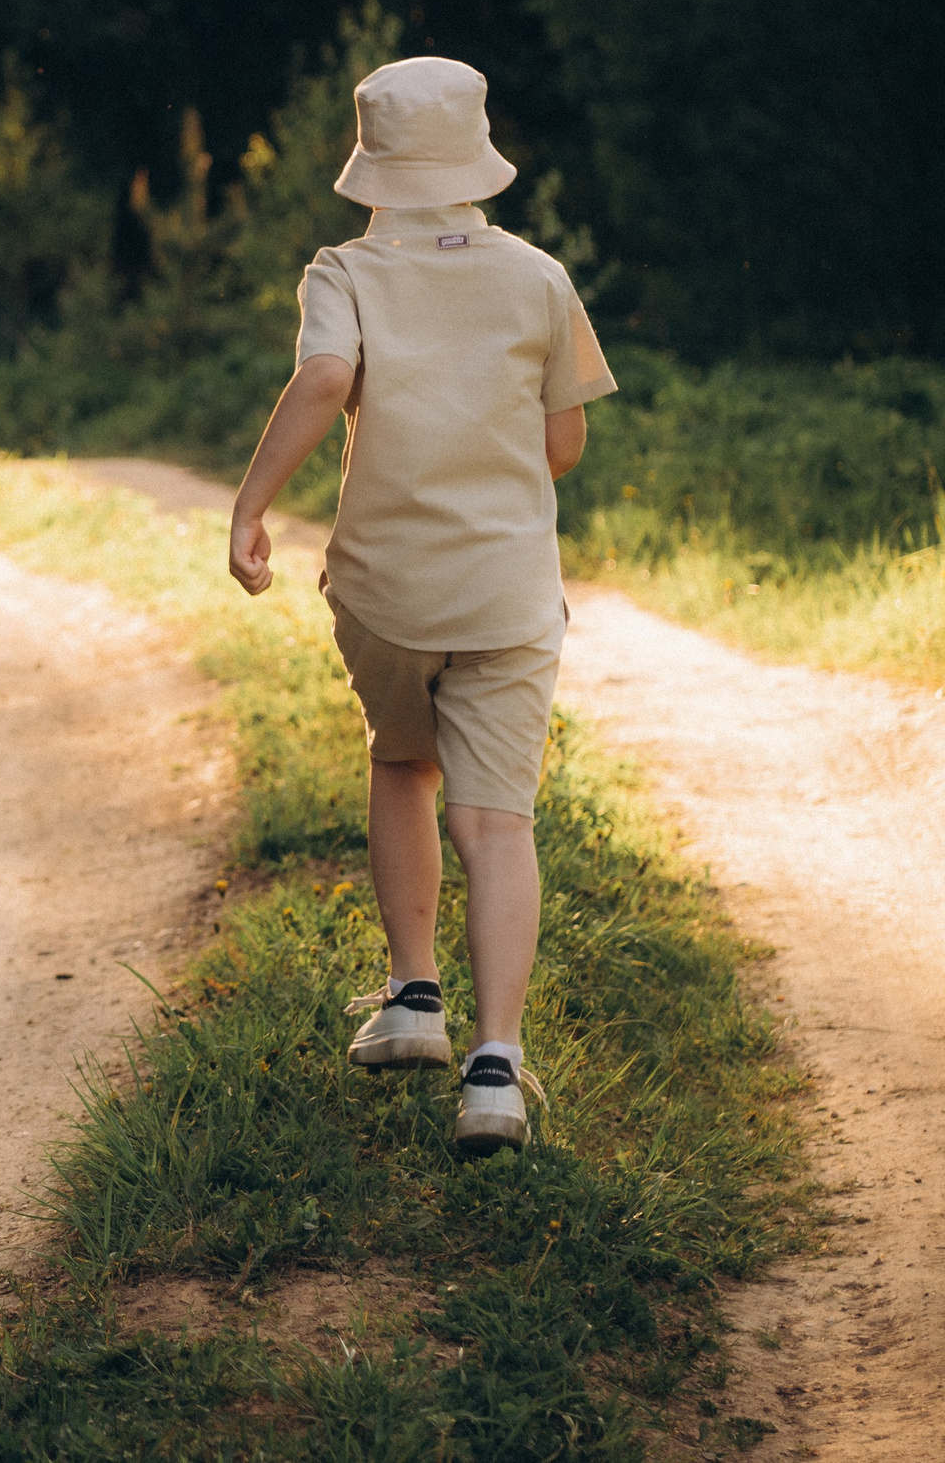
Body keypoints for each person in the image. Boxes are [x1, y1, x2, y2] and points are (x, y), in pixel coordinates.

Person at [225, 56, 616, 1154]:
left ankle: (411, 999)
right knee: (497, 821)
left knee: (401, 761)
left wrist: (252, 504)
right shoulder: (537, 277)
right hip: (506, 595)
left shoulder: (342, 271)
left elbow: (322, 382)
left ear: (372, 171)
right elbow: (562, 441)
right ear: (478, 161)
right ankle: (495, 1067)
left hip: (387, 591)